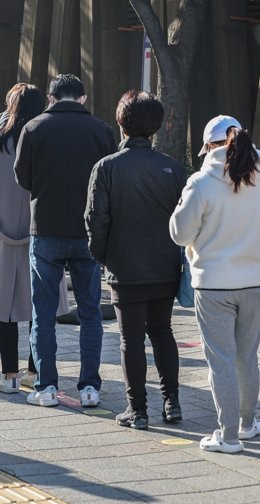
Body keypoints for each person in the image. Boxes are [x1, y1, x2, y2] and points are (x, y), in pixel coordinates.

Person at [169, 116, 260, 453]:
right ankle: (248, 423)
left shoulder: (201, 181)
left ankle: (228, 434)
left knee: (220, 360)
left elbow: (179, 233)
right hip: (254, 280)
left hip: (213, 281)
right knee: (247, 357)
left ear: (209, 146)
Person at [86, 91, 187, 430]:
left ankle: (137, 408)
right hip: (165, 264)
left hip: (125, 267)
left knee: (131, 338)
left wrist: (101, 254)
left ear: (121, 122)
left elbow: (95, 219)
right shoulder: (172, 168)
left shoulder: (107, 168)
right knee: (162, 331)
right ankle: (171, 402)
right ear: (156, 126)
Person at [14, 73, 115, 408]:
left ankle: (46, 386)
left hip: (45, 229)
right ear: (82, 98)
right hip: (88, 231)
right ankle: (89, 387)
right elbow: (110, 180)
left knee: (42, 312)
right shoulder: (102, 131)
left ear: (51, 98)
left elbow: (22, 177)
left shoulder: (33, 129)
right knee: (90, 311)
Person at [0, 84, 66, 394]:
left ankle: (9, 374)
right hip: (41, 228)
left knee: (3, 304)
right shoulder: (50, 139)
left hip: (0, 229)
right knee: (40, 303)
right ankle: (35, 372)